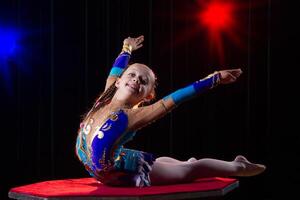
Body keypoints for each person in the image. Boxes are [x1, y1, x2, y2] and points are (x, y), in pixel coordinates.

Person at [75, 35, 266, 187]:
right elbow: (116, 68)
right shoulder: (106, 97)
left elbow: (176, 98)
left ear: (147, 97)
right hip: (112, 166)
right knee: (167, 164)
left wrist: (213, 79)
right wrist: (127, 48)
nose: (135, 80)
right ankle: (182, 163)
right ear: (118, 81)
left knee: (190, 171)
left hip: (125, 172)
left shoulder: (132, 116)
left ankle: (238, 165)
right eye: (132, 75)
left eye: (143, 82)